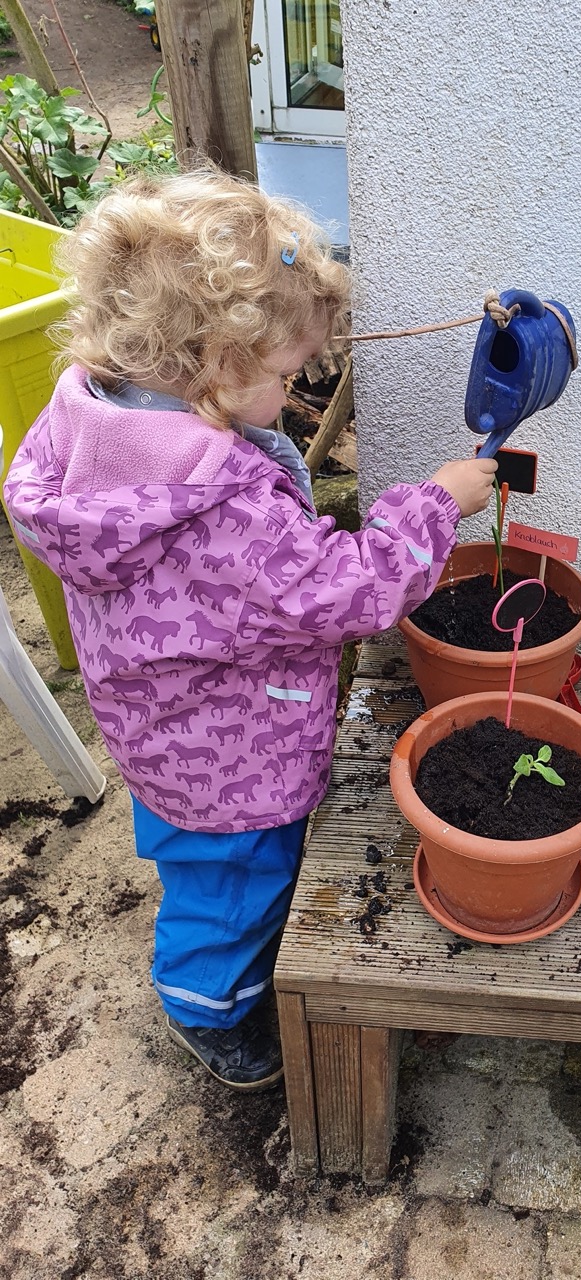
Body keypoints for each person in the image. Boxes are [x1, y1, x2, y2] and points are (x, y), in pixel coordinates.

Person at [3, 169, 496, 1091]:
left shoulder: (86, 415)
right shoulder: (223, 516)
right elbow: (348, 591)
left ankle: (210, 946)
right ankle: (210, 1011)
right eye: (284, 374)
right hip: (234, 758)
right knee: (231, 889)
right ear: (215, 369)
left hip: (160, 720)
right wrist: (434, 503)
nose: (299, 387)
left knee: (196, 857)